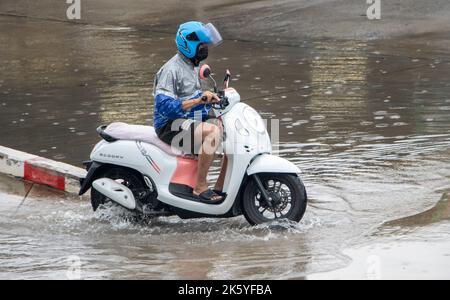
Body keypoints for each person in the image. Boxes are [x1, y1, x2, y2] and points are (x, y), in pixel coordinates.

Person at [153, 21, 227, 203]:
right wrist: (199, 100)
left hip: (187, 120)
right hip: (169, 125)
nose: (205, 49)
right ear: (188, 44)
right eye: (201, 45)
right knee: (213, 133)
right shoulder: (171, 70)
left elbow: (195, 100)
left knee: (232, 135)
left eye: (206, 45)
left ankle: (220, 187)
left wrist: (215, 98)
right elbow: (165, 107)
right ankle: (200, 187)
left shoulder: (192, 65)